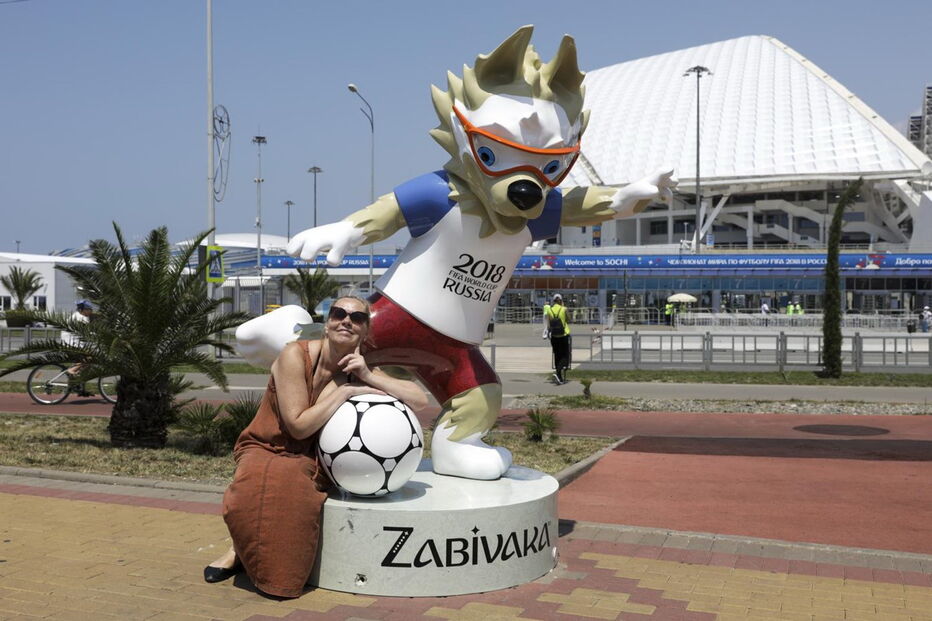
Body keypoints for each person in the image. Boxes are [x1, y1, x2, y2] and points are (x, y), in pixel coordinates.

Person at [204, 296, 428, 598]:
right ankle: (238, 550)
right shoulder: (294, 356)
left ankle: (276, 575)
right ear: (327, 323)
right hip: (266, 444)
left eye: (357, 318)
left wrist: (368, 376)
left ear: (364, 332)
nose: (347, 320)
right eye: (339, 313)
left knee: (292, 489)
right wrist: (346, 391)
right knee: (252, 485)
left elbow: (420, 400)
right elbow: (297, 425)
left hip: (311, 456)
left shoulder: (359, 367)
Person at [543, 294, 571, 384]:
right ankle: (559, 371)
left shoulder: (550, 310)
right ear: (561, 301)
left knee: (557, 356)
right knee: (566, 356)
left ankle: (559, 376)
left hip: (554, 336)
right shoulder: (564, 309)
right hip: (564, 335)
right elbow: (569, 319)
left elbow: (549, 324)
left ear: (553, 301)